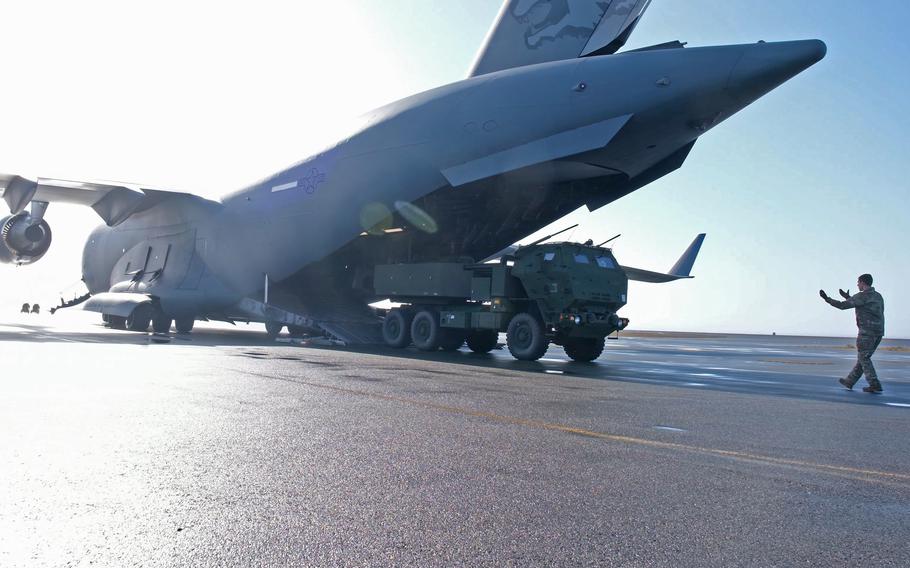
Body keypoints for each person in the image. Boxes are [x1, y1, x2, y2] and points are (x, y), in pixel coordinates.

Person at [819, 274, 885, 393]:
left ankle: (874, 383)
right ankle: (850, 381)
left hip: (866, 333)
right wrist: (848, 297)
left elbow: (843, 306)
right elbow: (865, 305)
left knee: (864, 358)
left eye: (858, 282)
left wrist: (827, 299)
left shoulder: (862, 296)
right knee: (864, 358)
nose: (857, 284)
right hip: (878, 332)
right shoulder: (877, 296)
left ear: (863, 282)